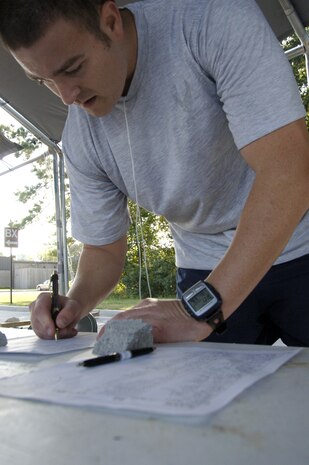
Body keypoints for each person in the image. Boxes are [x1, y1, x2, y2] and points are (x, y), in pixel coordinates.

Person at [1, 0, 309, 345]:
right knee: (207, 395)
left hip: (300, 241)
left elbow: (288, 173)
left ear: (110, 20)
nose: (66, 97)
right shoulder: (80, 135)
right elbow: (103, 251)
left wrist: (201, 310)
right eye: (44, 80)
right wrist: (74, 302)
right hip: (203, 264)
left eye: (73, 68)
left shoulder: (209, 19)